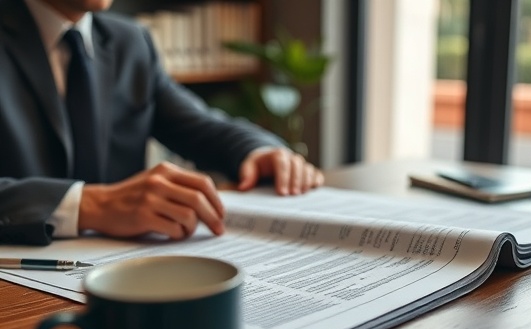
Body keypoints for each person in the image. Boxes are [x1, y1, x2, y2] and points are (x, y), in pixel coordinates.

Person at [0, 0, 324, 246]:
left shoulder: (129, 41)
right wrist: (90, 205)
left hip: (123, 271)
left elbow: (200, 125)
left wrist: (260, 150)